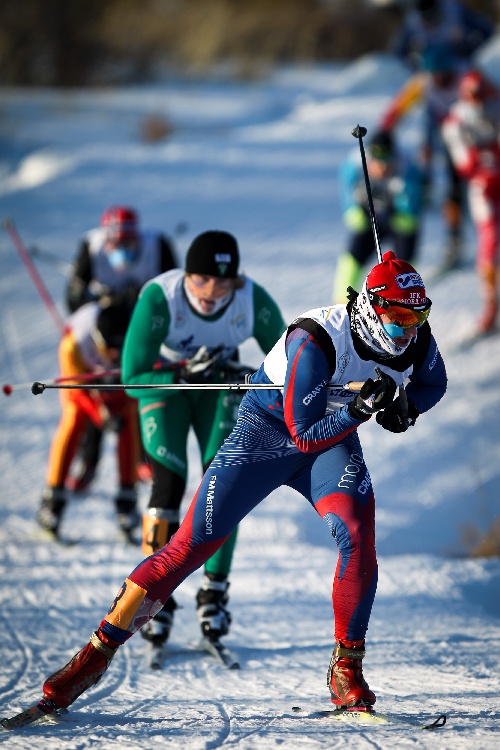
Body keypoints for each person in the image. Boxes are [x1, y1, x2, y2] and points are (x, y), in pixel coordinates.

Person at [37, 249, 447, 714]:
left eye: (418, 316)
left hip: (331, 443)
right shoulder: (315, 340)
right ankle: (94, 655)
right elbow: (304, 435)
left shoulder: (415, 338)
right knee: (186, 549)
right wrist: (359, 409)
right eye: (397, 317)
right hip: (267, 437)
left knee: (356, 534)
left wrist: (404, 408)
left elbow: (434, 384)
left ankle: (346, 669)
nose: (407, 329)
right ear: (372, 310)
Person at [120, 230, 286, 658]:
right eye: (201, 281)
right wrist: (178, 377)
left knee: (223, 488)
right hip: (167, 391)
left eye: (223, 283)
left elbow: (294, 364)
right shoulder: (160, 296)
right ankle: (157, 597)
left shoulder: (254, 300)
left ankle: (214, 594)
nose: (211, 293)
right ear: (186, 276)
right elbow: (132, 380)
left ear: (237, 281)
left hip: (219, 391)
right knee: (167, 489)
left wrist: (256, 375)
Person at [65, 206, 177, 493]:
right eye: (117, 243)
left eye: (129, 242)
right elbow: (73, 299)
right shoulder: (91, 247)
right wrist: (103, 301)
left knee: (138, 390)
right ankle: (88, 463)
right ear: (107, 239)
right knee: (100, 392)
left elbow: (177, 291)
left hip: (143, 329)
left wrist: (139, 298)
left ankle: (145, 458)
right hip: (105, 333)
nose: (124, 248)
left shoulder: (157, 246)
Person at [36, 299, 141, 542]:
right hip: (84, 378)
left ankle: (127, 499)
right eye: (109, 349)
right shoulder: (74, 342)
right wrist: (101, 415)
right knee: (73, 419)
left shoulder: (135, 336)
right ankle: (53, 498)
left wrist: (120, 409)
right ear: (97, 339)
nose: (115, 354)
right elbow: (76, 391)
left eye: (120, 349)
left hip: (116, 380)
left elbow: (137, 387)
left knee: (128, 421)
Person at [380, 42, 468, 270]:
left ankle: (455, 238)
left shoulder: (466, 78)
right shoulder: (422, 81)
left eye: (443, 75)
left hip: (462, 133)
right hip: (435, 128)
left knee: (455, 186)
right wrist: (384, 131)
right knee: (420, 172)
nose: (438, 79)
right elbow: (398, 107)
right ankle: (420, 203)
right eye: (434, 75)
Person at [333, 129, 424, 302]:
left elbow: (415, 203)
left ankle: (407, 307)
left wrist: (405, 210)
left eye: (387, 163)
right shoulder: (355, 164)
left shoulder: (407, 168)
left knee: (405, 270)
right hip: (369, 217)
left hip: (399, 219)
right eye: (377, 162)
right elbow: (346, 187)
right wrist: (351, 210)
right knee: (351, 259)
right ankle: (342, 306)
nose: (382, 168)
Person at [442, 69, 500, 333]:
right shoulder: (455, 122)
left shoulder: (495, 107)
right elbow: (465, 164)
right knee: (489, 241)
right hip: (483, 186)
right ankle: (490, 303)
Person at [392, 0, 494, 73]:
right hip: (429, 72)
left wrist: (472, 49)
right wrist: (414, 65)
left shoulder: (455, 10)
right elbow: (399, 51)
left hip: (459, 68)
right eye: (426, 23)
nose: (430, 25)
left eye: (432, 20)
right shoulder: (412, 21)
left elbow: (486, 30)